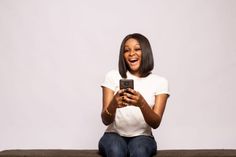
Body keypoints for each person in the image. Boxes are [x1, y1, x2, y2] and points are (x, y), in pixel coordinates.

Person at [98, 33, 170, 157]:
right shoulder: (112, 76)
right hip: (113, 135)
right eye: (126, 50)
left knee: (140, 151)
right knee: (116, 150)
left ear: (146, 52)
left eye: (137, 49)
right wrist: (113, 104)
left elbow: (156, 123)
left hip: (143, 137)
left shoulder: (160, 82)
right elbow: (105, 120)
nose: (131, 54)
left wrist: (141, 103)